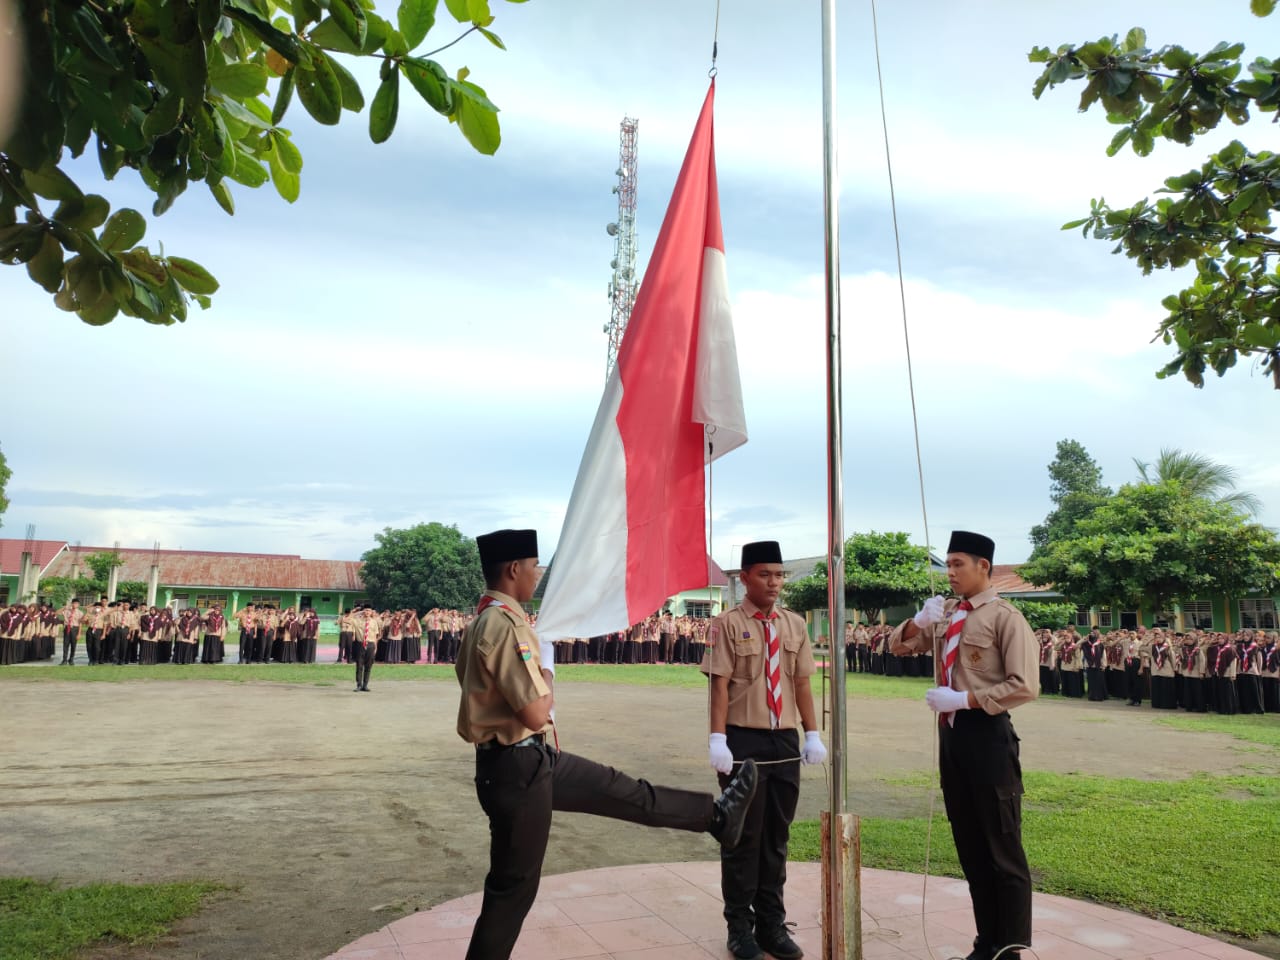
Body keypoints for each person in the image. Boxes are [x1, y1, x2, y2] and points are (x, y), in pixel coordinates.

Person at [456, 528, 759, 960]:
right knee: (512, 890)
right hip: (515, 769)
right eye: (534, 566)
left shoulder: (487, 619)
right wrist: (548, 671)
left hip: (529, 761)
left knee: (622, 790)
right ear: (513, 569)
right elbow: (537, 713)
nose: (538, 575)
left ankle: (717, 816)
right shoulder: (502, 625)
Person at [889, 530, 1038, 960]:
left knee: (1001, 846)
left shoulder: (1005, 617)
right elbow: (899, 646)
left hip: (987, 736)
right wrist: (918, 621)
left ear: (983, 567)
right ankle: (985, 943)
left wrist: (966, 699)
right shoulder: (946, 614)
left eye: (958, 564)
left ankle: (1007, 949)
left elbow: (1025, 684)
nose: (949, 572)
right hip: (952, 738)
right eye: (947, 564)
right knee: (971, 845)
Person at [701, 539, 826, 960]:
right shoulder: (726, 624)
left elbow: (802, 682)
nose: (774, 583)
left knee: (777, 836)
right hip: (743, 739)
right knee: (743, 837)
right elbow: (719, 684)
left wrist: (812, 733)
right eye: (765, 574)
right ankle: (740, 928)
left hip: (784, 740)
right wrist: (717, 738)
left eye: (779, 575)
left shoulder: (794, 625)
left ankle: (772, 923)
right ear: (745, 577)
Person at [350, 604, 380, 692]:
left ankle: (365, 685)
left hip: (371, 644)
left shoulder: (374, 622)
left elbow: (375, 635)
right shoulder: (358, 621)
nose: (367, 612)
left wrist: (375, 647)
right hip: (360, 645)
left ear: (371, 612)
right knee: (359, 665)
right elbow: (349, 616)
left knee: (368, 666)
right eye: (366, 610)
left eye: (369, 611)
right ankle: (359, 685)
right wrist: (358, 611)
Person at [59, 598, 84, 665]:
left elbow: (80, 624)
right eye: (73, 603)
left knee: (73, 645)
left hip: (75, 629)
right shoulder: (67, 611)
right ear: (72, 603)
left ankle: (71, 659)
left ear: (78, 605)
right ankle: (64, 660)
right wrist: (65, 607)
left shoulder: (80, 613)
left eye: (76, 603)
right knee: (65, 644)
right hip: (67, 628)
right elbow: (57, 613)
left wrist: (79, 633)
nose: (75, 605)